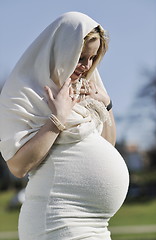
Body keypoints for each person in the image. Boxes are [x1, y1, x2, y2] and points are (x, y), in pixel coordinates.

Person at [0, 12, 129, 240]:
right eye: (80, 58)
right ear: (61, 52)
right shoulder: (24, 93)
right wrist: (58, 118)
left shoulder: (83, 88)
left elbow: (107, 144)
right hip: (58, 219)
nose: (86, 66)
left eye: (93, 58)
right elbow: (18, 166)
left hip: (98, 224)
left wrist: (106, 105)